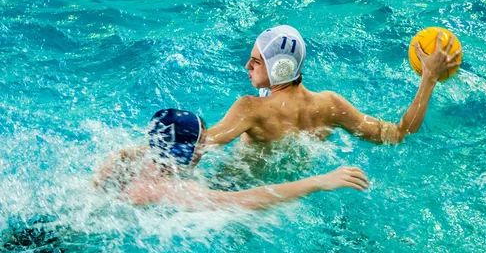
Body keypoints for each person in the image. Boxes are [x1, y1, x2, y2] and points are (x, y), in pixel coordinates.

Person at [206, 25, 462, 145]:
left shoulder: (250, 108)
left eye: (255, 61)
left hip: (242, 192)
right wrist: (429, 78)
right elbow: (398, 134)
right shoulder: (330, 105)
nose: (247, 66)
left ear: (279, 68)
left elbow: (203, 145)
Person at [94, 109, 368, 211]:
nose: (204, 149)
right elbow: (246, 202)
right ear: (184, 151)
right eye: (200, 143)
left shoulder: (136, 161)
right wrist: (319, 181)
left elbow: (120, 156)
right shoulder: (171, 189)